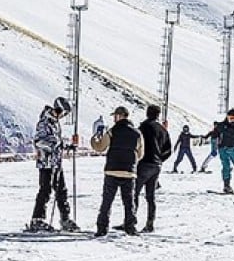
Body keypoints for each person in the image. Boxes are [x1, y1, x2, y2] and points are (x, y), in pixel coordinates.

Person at [28, 97, 80, 232]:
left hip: (56, 162)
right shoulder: (44, 122)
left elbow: (57, 143)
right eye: (64, 113)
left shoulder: (55, 122)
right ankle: (37, 219)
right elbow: (38, 142)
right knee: (45, 190)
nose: (64, 116)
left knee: (62, 190)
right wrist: (54, 144)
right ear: (58, 110)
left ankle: (65, 218)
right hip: (46, 162)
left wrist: (69, 146)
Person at [90, 106, 144, 236]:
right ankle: (130, 227)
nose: (114, 118)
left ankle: (102, 228)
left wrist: (94, 139)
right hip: (129, 172)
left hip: (112, 170)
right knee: (128, 201)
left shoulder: (112, 131)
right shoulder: (137, 133)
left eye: (115, 116)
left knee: (107, 201)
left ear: (120, 116)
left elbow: (100, 147)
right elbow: (140, 154)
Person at [135, 105, 172, 232]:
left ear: (147, 113)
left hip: (144, 163)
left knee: (133, 193)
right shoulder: (163, 130)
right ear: (158, 114)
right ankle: (150, 223)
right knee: (150, 196)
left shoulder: (143, 127)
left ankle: (130, 221)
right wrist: (160, 159)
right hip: (156, 165)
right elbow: (168, 150)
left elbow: (137, 145)